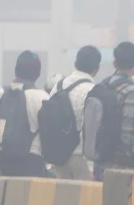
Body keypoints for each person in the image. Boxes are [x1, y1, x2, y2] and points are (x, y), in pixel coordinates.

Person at [0, 51, 49, 178]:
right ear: (37, 73)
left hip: (1, 161)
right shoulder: (42, 98)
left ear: (16, 70)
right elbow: (49, 133)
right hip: (32, 161)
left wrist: (1, 145)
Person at [47, 46, 101, 181]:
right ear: (97, 68)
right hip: (82, 158)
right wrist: (91, 166)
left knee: (63, 200)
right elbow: (91, 129)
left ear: (76, 64)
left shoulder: (57, 87)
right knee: (84, 201)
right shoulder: (93, 91)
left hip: (59, 157)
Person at [92, 42, 134, 180]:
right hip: (122, 165)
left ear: (114, 62)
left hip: (99, 160)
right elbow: (128, 134)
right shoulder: (130, 91)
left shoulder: (102, 86)